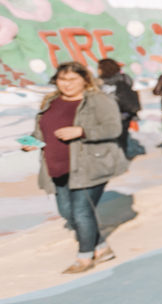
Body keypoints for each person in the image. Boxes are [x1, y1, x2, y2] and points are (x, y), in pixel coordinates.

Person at [28, 62, 129, 273]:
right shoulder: (51, 101)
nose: (67, 84)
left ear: (85, 79)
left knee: (81, 211)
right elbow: (42, 131)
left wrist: (81, 131)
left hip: (89, 165)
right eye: (62, 79)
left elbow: (113, 128)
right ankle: (101, 247)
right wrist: (32, 142)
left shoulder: (99, 100)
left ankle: (84, 257)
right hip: (57, 166)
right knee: (68, 212)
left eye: (72, 79)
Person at [96, 58, 141, 157]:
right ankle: (122, 156)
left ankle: (114, 158)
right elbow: (130, 87)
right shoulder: (125, 78)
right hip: (124, 113)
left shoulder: (99, 82)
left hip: (107, 115)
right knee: (123, 137)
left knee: (110, 138)